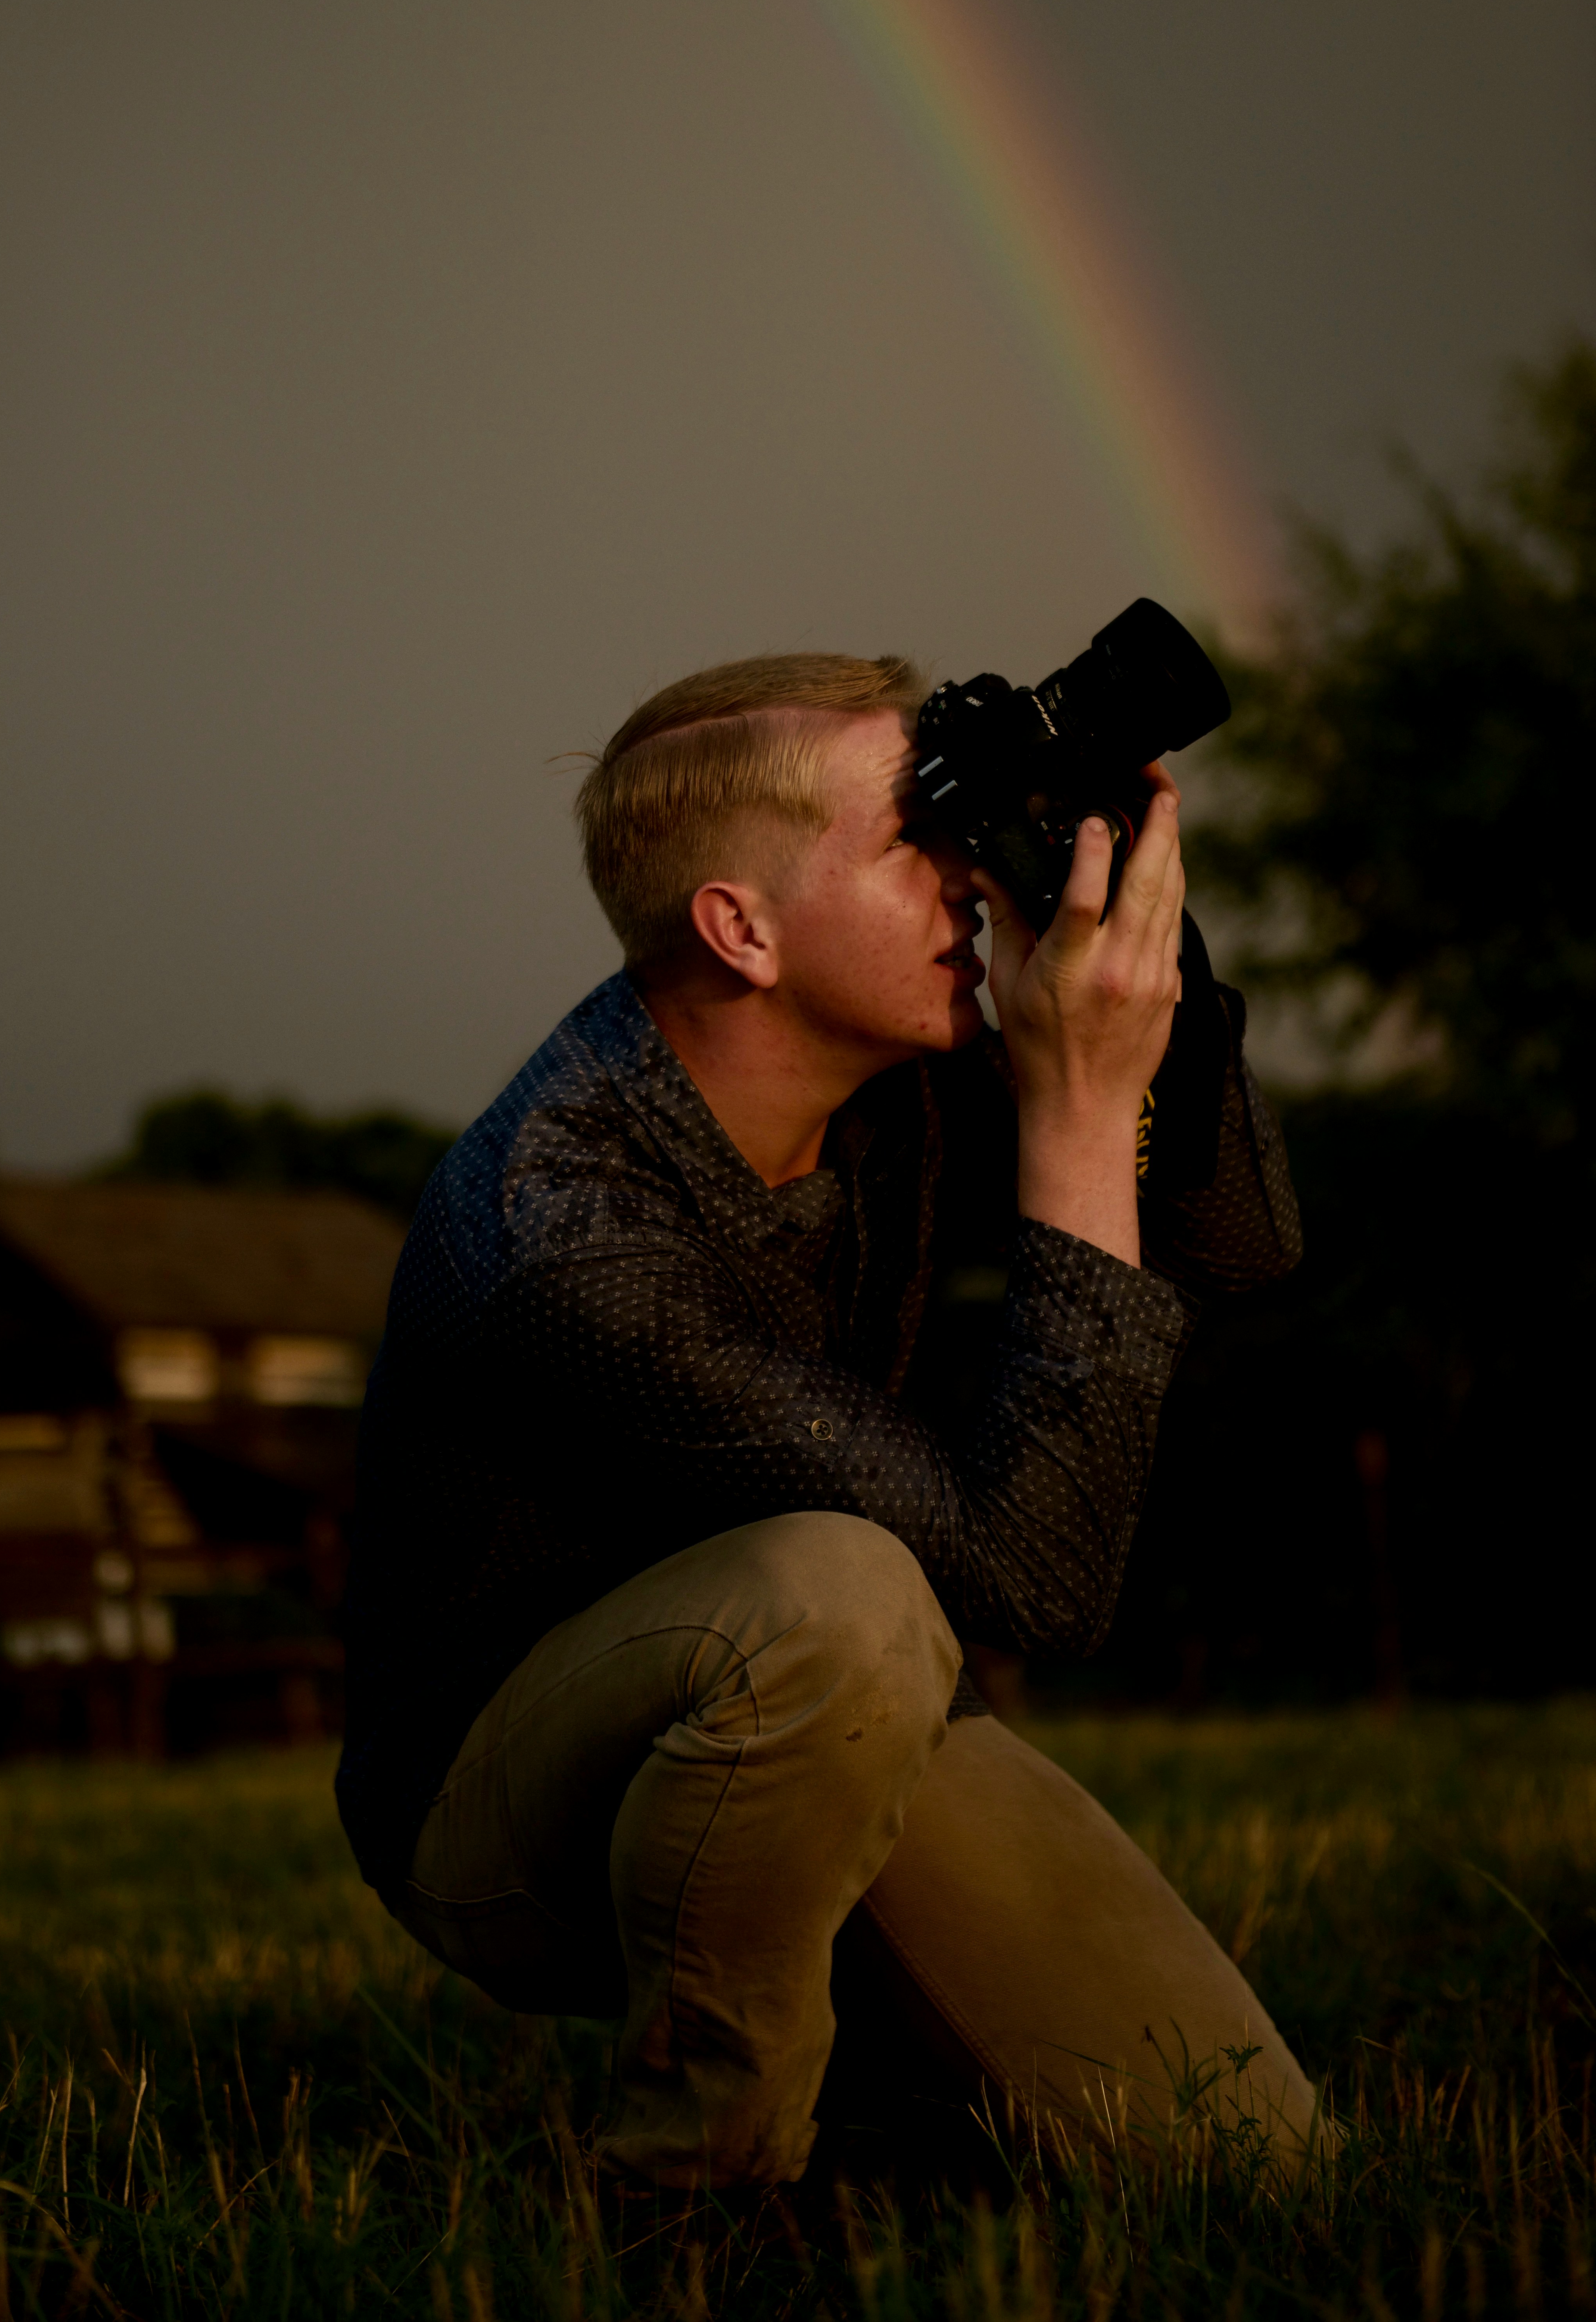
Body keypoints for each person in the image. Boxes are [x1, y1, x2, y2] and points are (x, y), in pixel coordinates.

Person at [337, 651, 1315, 2190]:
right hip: (503, 1803)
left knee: (1240, 2157)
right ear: (740, 927)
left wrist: (1142, 965)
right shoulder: (566, 1226)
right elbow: (1044, 1583)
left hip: (831, 1706)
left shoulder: (895, 1073)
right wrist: (1071, 1122)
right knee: (843, 1592)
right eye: (912, 836)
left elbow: (1242, 1242)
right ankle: (692, 2186)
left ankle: (882, 2097)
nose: (961, 874)